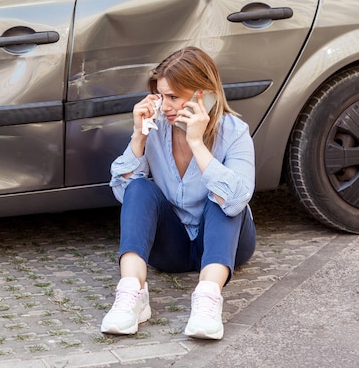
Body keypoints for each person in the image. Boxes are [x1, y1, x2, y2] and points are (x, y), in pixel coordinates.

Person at [100, 46, 256, 340]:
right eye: (161, 96)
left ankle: (208, 300)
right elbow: (123, 193)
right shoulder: (155, 127)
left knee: (221, 195)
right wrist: (139, 136)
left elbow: (237, 200)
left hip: (227, 245)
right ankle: (132, 294)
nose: (166, 105)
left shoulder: (234, 131)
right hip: (172, 249)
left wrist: (197, 144)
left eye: (173, 96)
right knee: (139, 186)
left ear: (204, 95)